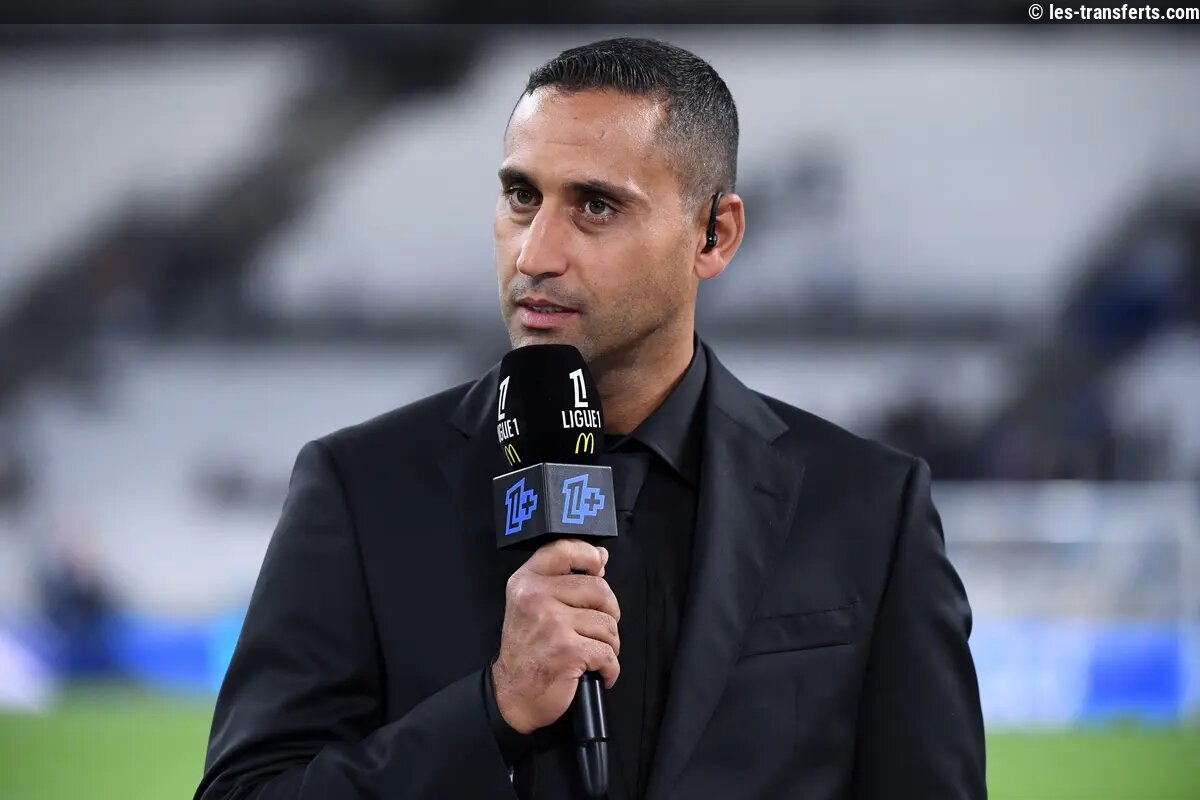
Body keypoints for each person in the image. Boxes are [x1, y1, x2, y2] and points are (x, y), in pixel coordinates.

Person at [195, 37, 986, 799]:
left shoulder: (869, 508)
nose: (534, 254)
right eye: (521, 197)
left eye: (596, 206)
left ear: (715, 234)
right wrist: (492, 710)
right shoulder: (361, 490)